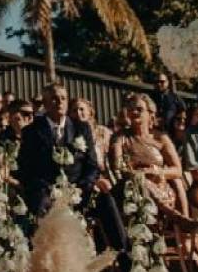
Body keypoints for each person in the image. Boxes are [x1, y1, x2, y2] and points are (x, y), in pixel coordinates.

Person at [16, 84, 128, 262]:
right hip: (46, 192)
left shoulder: (81, 128)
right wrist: (47, 189)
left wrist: (84, 186)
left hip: (79, 190)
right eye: (53, 98)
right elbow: (25, 169)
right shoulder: (31, 131)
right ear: (45, 103)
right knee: (38, 207)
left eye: (63, 98)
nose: (59, 102)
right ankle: (43, 267)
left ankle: (124, 260)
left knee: (106, 200)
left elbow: (91, 165)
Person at [111, 93, 196, 227]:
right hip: (131, 186)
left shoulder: (161, 138)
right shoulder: (120, 137)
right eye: (131, 109)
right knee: (141, 183)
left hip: (161, 186)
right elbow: (118, 165)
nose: (134, 112)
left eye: (139, 109)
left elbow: (178, 170)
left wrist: (158, 172)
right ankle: (171, 214)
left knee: (173, 182)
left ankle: (176, 217)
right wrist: (138, 174)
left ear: (150, 114)